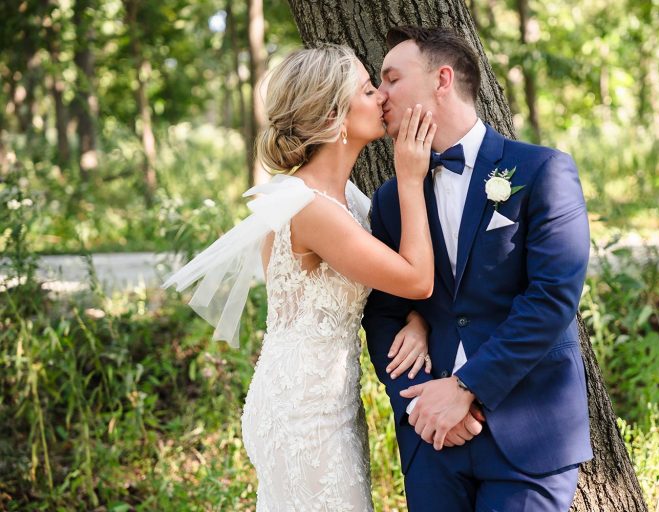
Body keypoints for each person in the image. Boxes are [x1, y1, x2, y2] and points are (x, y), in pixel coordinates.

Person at [163, 44, 437, 511]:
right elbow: (417, 278)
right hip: (303, 413)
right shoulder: (310, 209)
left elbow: (395, 279)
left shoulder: (346, 199)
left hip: (330, 401)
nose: (382, 99)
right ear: (335, 116)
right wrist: (410, 179)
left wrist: (419, 319)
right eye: (369, 90)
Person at [362, 26, 593, 511]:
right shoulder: (389, 199)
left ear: (442, 80)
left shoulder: (542, 171)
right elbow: (382, 313)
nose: (379, 95)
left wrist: (468, 389)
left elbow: (552, 299)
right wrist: (419, 402)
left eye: (391, 79)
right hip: (432, 441)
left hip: (529, 429)